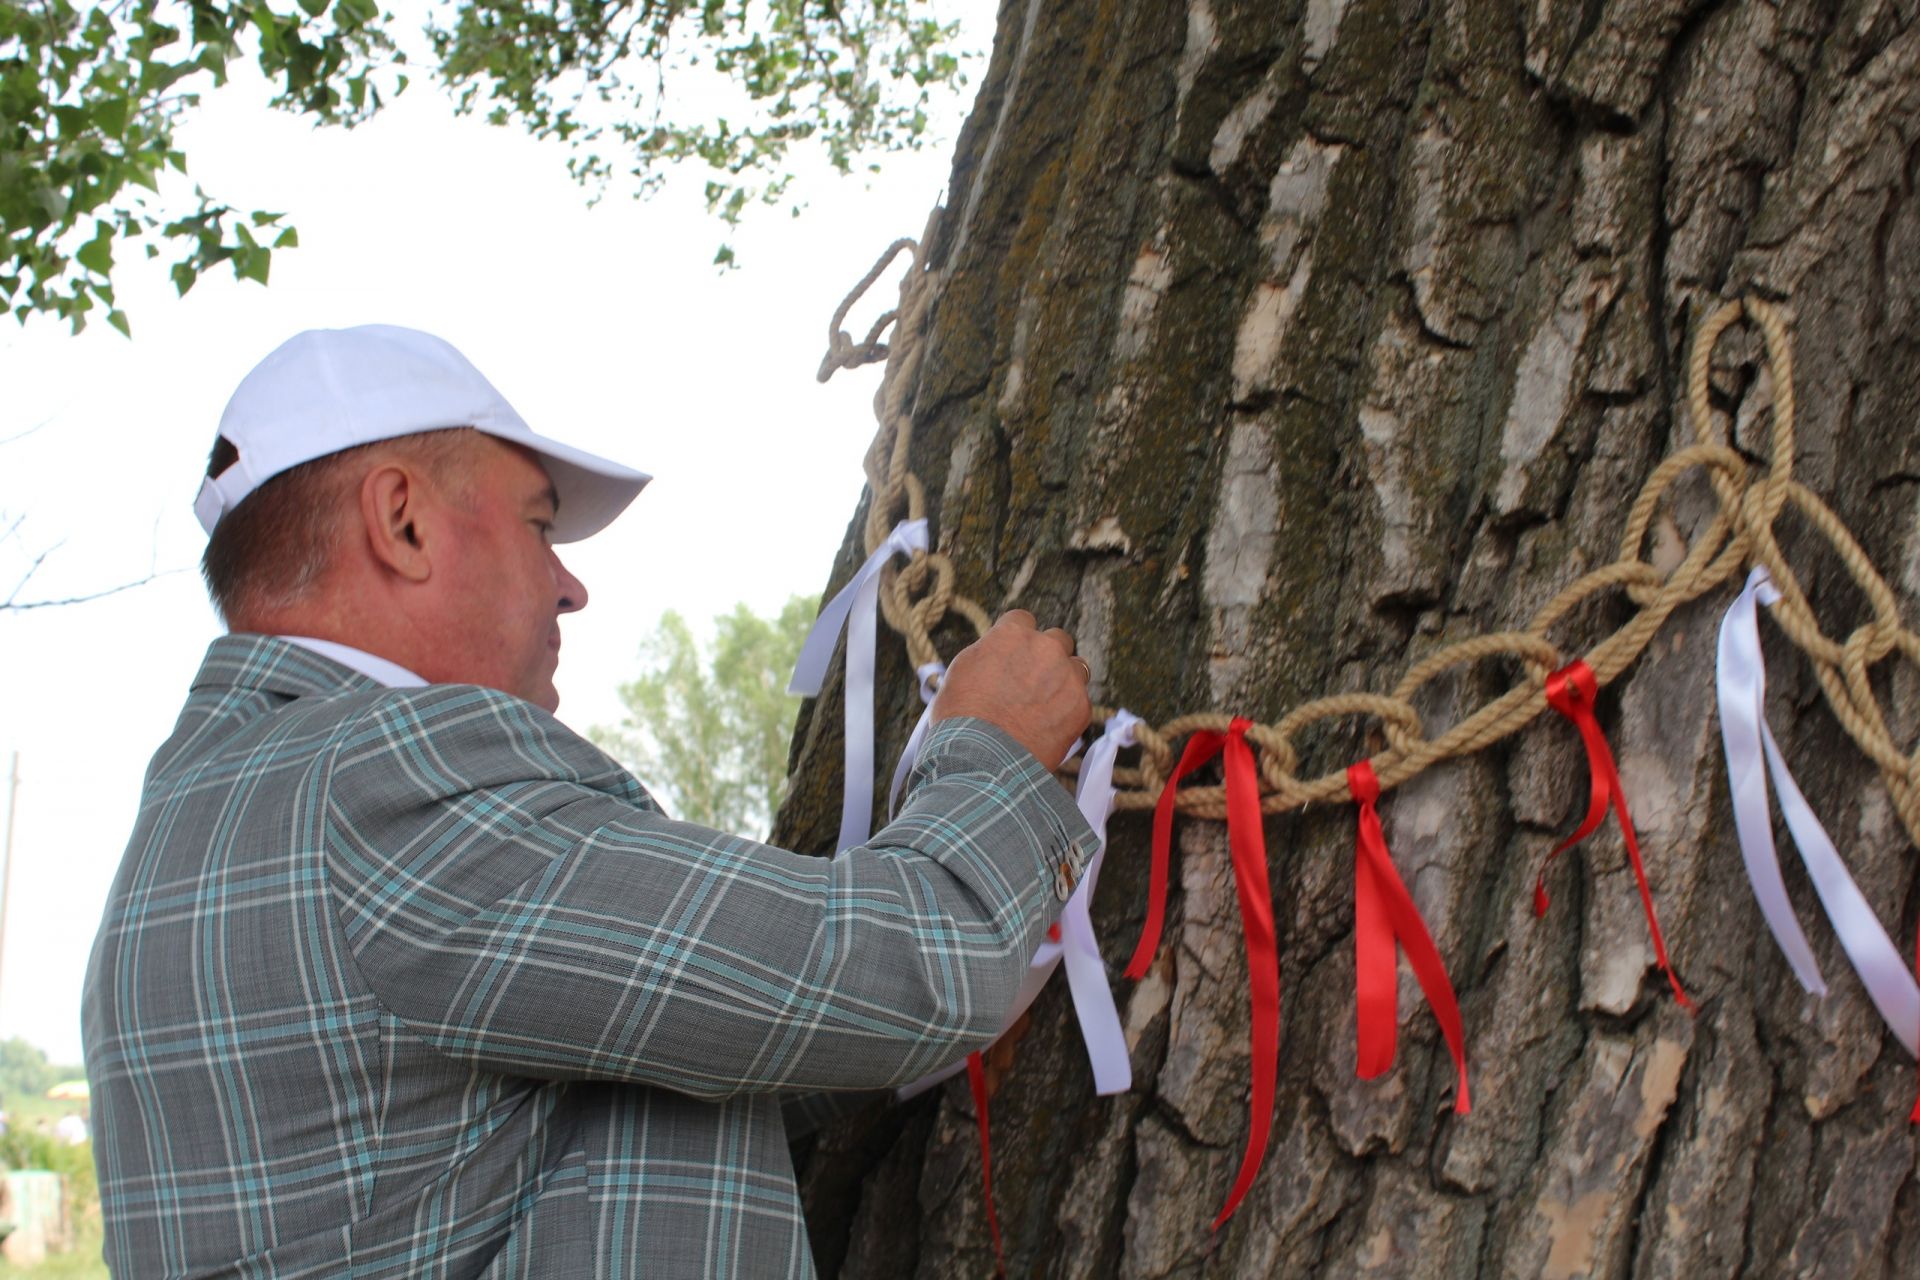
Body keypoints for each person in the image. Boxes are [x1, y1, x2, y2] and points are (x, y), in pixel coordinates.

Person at [82, 325, 1097, 1278]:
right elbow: (899, 968)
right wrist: (994, 755)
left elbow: (575, 1094)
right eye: (538, 524)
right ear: (401, 520)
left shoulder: (200, 812)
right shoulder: (390, 776)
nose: (570, 587)